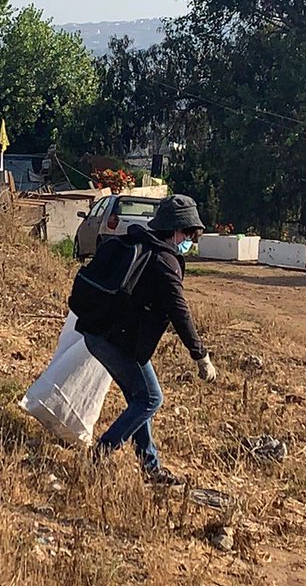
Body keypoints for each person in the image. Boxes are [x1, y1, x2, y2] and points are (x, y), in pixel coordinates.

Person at [76, 193, 219, 486]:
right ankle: (101, 453)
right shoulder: (164, 260)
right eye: (190, 235)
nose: (190, 242)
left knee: (138, 398)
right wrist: (200, 355)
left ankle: (150, 467)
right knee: (151, 398)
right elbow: (179, 311)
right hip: (113, 338)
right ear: (177, 230)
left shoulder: (139, 242)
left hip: (103, 333)